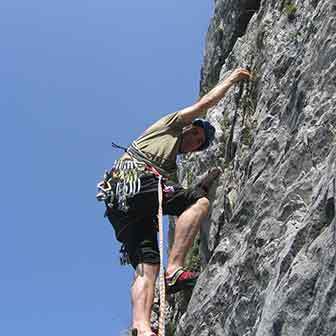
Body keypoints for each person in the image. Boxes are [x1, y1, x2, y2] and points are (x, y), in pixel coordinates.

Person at [97, 68, 250, 336]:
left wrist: (200, 184)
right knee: (200, 204)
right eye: (197, 137)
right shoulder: (171, 125)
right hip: (136, 183)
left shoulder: (169, 171)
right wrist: (231, 79)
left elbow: (176, 196)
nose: (195, 145)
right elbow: (205, 104)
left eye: (200, 145)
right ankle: (176, 269)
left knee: (147, 267)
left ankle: (141, 328)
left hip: (122, 206)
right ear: (189, 129)